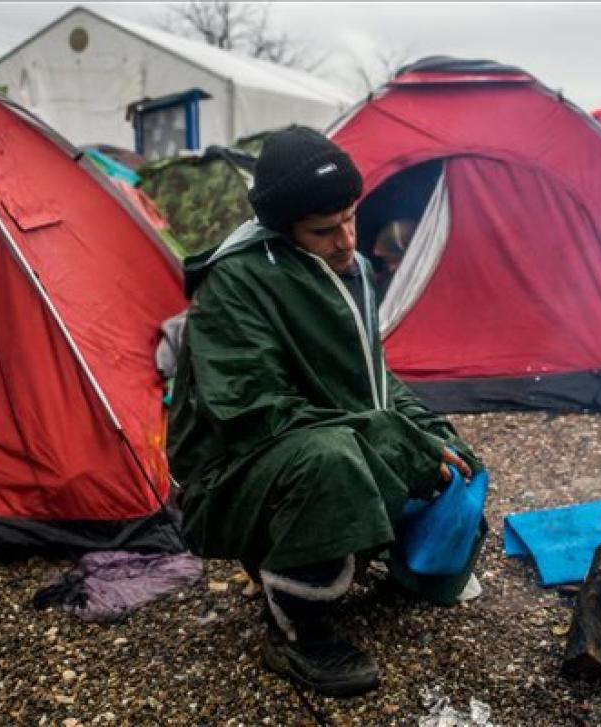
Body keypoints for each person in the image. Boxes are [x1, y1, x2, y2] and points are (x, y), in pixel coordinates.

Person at [167, 126, 483, 697]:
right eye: (323, 229)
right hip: (228, 481)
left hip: (305, 448)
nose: (345, 241)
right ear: (282, 228)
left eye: (351, 217)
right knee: (334, 461)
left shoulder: (344, 270)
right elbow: (252, 413)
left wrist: (433, 436)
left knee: (437, 453)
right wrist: (392, 443)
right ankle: (296, 630)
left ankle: (360, 559)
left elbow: (374, 383)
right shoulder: (236, 284)